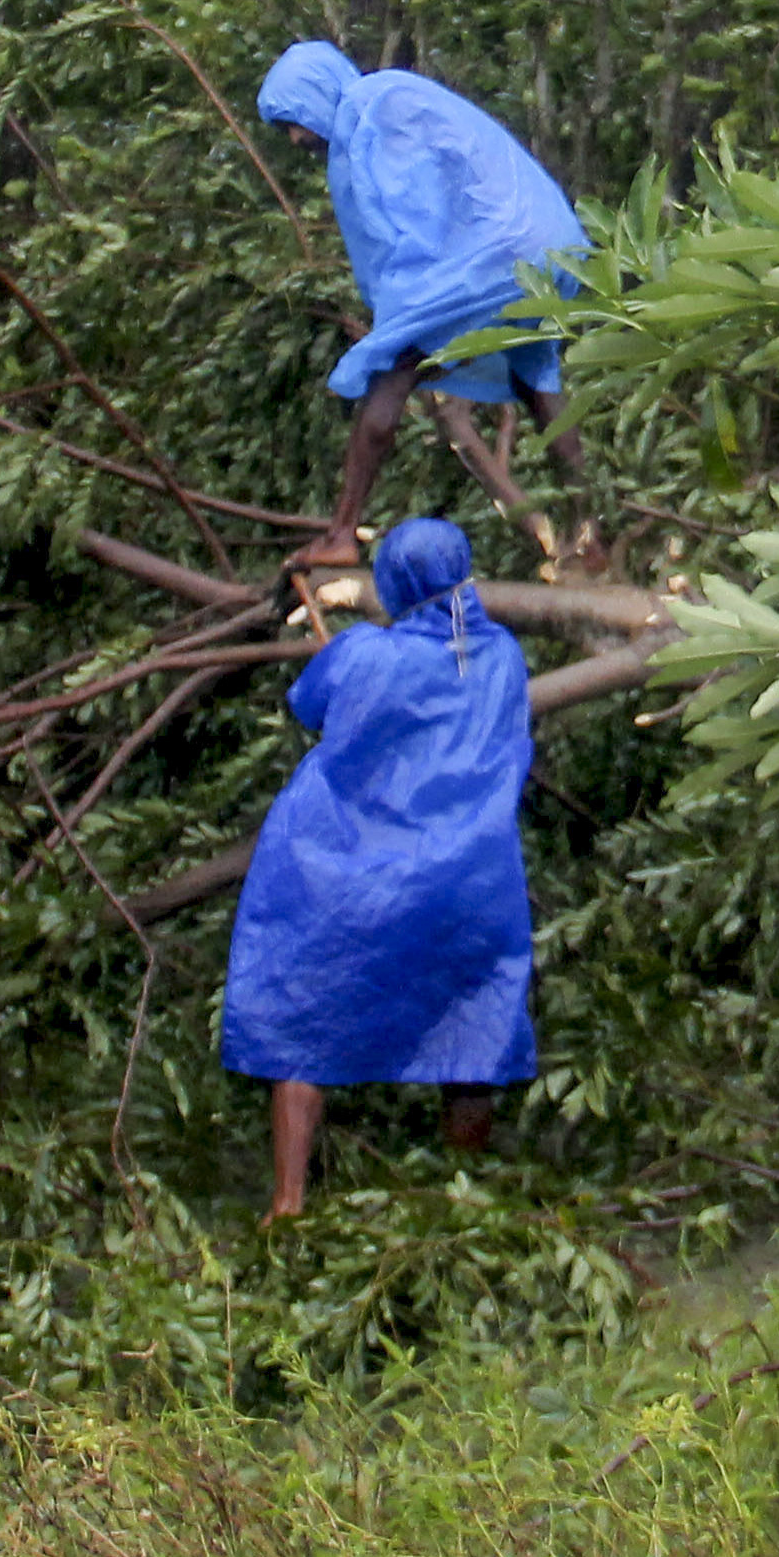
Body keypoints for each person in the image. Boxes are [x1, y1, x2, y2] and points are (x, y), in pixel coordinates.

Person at [223, 514, 535, 1216]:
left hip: (346, 875)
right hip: (470, 880)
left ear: (392, 583)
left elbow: (307, 704)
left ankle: (289, 1200)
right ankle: (464, 1199)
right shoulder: (501, 656)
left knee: (300, 1013)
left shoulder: (362, 651)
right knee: (471, 1024)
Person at [255, 39, 606, 573]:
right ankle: (590, 538)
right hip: (543, 244)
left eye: (294, 120)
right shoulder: (391, 96)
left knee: (391, 371)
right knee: (537, 380)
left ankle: (341, 533)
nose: (298, 137)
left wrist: (401, 315)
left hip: (494, 252)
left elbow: (399, 220)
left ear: (314, 93)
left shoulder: (366, 110)